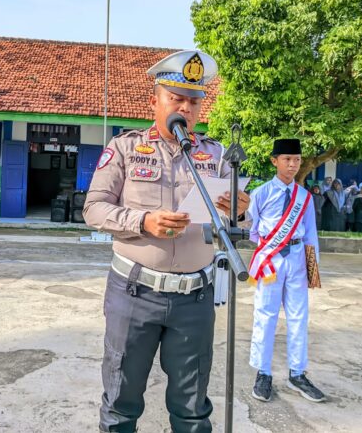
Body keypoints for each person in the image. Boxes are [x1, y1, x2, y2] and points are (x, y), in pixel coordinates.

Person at [83, 50, 250, 433]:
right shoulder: (125, 149)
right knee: (121, 403)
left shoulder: (216, 155)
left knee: (192, 408)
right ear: (154, 101)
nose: (186, 108)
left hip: (194, 298)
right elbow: (94, 209)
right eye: (176, 98)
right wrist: (143, 221)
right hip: (134, 295)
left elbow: (240, 220)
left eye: (194, 101)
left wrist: (241, 210)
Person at [247, 138, 324, 403]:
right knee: (265, 315)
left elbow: (311, 234)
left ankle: (297, 373)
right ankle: (263, 373)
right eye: (287, 159)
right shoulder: (261, 193)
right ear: (274, 161)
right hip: (270, 260)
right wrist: (267, 250)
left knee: (298, 317)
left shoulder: (304, 197)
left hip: (297, 259)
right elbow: (252, 230)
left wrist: (313, 270)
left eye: (297, 160)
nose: (292, 165)